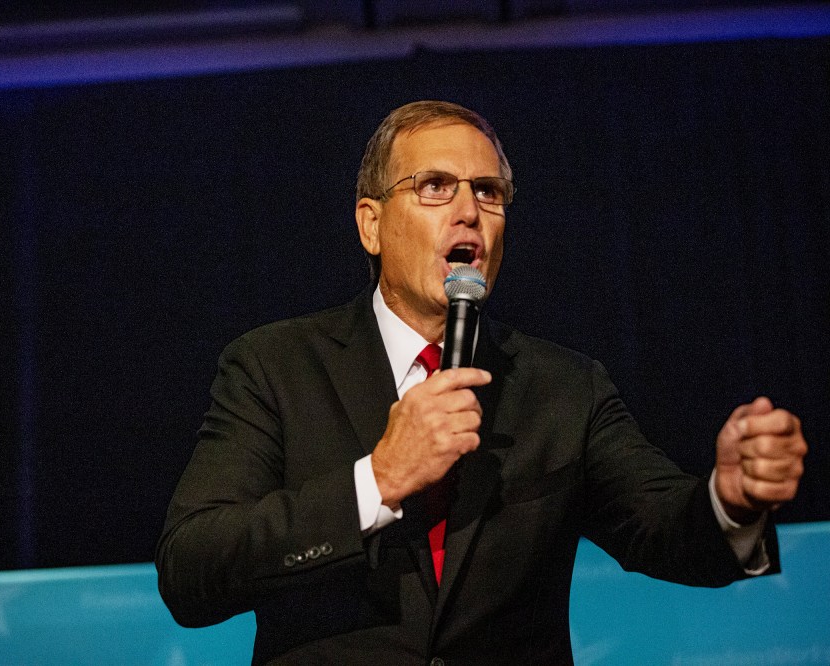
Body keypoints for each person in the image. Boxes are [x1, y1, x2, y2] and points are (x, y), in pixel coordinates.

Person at [155, 101, 807, 664]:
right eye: (436, 186)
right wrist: (376, 481)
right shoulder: (274, 366)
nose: (469, 210)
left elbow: (665, 530)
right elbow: (191, 570)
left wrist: (730, 500)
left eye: (489, 192)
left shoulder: (564, 387)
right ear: (371, 224)